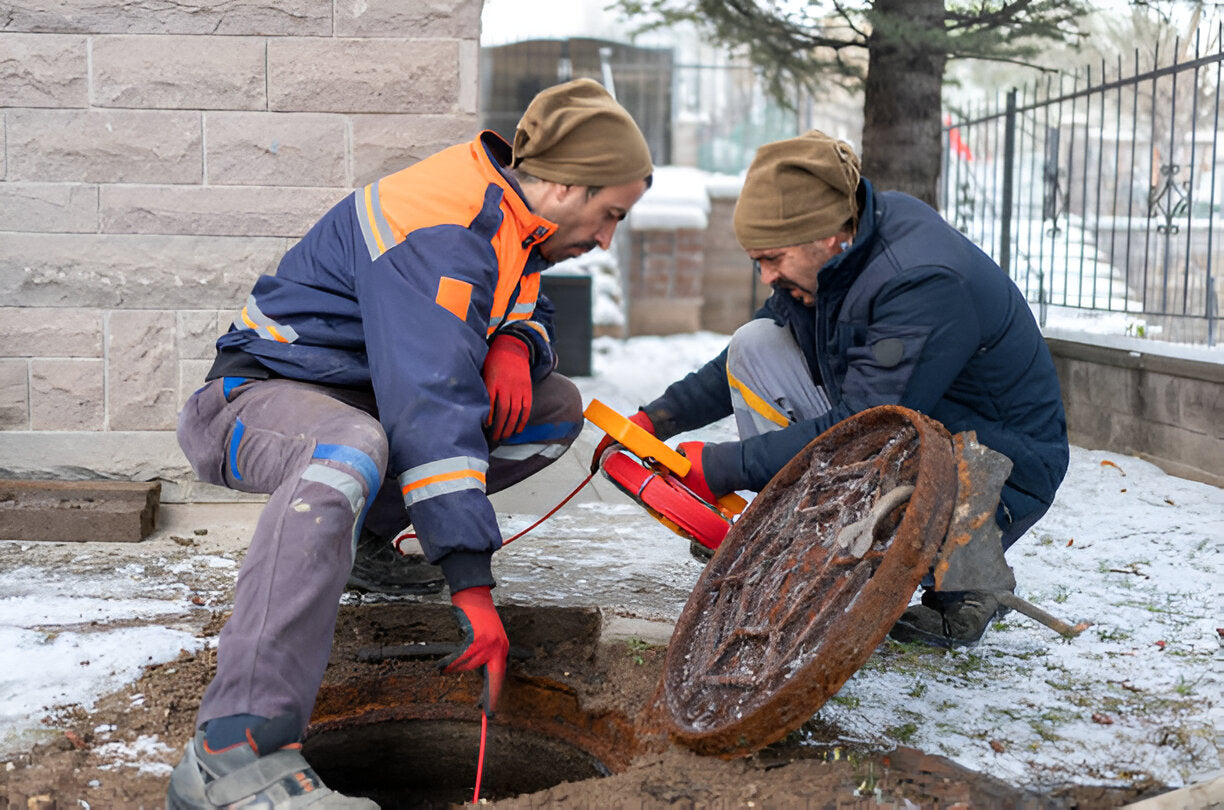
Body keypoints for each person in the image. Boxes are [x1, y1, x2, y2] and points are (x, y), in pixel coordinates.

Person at [168, 78, 653, 809]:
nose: (608, 237)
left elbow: (522, 299)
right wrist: (469, 578)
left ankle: (367, 545)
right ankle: (232, 752)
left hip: (360, 398)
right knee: (350, 448)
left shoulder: (510, 218)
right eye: (610, 213)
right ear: (561, 186)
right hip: (250, 402)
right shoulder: (441, 228)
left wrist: (517, 342)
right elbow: (430, 406)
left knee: (552, 410)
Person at [592, 129, 1068, 649]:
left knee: (893, 463)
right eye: (757, 261)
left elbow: (866, 424)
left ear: (825, 236)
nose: (766, 275)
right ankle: (804, 538)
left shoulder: (921, 279)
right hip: (917, 428)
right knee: (756, 344)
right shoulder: (837, 258)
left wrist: (722, 466)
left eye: (772, 258)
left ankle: (969, 581)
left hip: (995, 469)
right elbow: (748, 363)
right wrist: (658, 419)